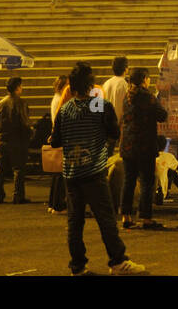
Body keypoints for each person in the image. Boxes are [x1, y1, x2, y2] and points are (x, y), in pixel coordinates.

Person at [50, 62, 145, 275]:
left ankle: (78, 266)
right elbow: (113, 131)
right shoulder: (99, 105)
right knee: (106, 219)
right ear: (91, 85)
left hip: (71, 173)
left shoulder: (65, 109)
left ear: (72, 89)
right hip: (93, 171)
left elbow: (55, 141)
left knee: (75, 222)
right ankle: (118, 261)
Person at [119, 68, 166, 230]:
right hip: (144, 146)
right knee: (147, 181)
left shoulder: (127, 96)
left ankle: (126, 216)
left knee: (129, 181)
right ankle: (146, 217)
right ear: (145, 79)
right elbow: (162, 115)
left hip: (127, 145)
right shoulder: (147, 97)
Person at [0, 76, 32, 204]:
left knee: (1, 169)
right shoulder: (21, 103)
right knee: (18, 169)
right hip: (17, 140)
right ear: (17, 87)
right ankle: (18, 195)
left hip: (2, 139)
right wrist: (30, 134)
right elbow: (24, 123)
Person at [46, 77, 68, 213]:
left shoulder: (56, 98)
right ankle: (58, 204)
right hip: (62, 137)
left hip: (58, 136)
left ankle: (53, 203)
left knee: (57, 173)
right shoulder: (60, 100)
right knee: (60, 173)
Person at [102, 56, 130, 156]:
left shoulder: (106, 83)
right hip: (119, 122)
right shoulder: (125, 84)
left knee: (108, 153)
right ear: (126, 68)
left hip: (106, 123)